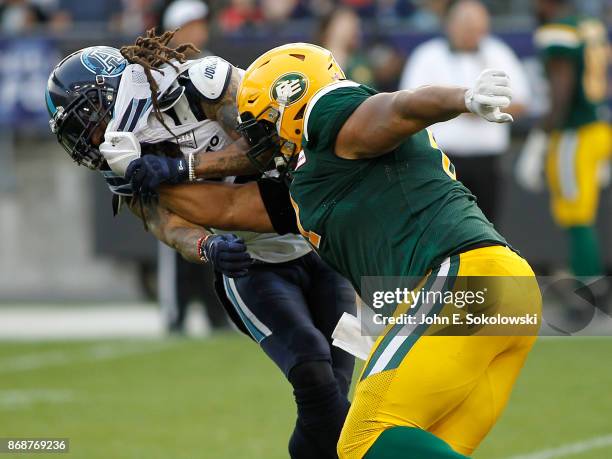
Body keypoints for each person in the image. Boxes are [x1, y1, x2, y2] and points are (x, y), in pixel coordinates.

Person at [128, 43, 541, 458]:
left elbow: (399, 108)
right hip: (502, 292)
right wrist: (141, 176)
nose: (257, 138)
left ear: (290, 100)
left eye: (264, 122)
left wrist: (462, 98)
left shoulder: (328, 112)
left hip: (461, 283)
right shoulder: (311, 178)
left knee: (362, 440)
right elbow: (230, 207)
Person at [45, 34, 356, 459]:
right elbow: (166, 225)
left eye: (85, 118)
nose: (86, 136)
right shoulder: (121, 161)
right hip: (256, 266)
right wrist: (209, 247)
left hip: (323, 246)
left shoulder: (196, 86)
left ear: (108, 92)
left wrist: (181, 166)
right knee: (313, 373)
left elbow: (264, 148)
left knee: (333, 400)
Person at [400, 0, 530, 222]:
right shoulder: (428, 56)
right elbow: (410, 104)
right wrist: (464, 107)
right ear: (449, 25)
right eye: (466, 25)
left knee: (488, 225)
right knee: (443, 224)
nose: (472, 33)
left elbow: (522, 100)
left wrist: (487, 108)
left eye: (477, 26)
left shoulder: (498, 53)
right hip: (441, 160)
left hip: (488, 160)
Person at [516, 0, 611, 281]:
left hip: (574, 135)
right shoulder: (587, 23)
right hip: (597, 129)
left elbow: (561, 94)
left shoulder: (558, 30)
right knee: (583, 217)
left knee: (577, 219)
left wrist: (539, 141)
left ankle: (589, 293)